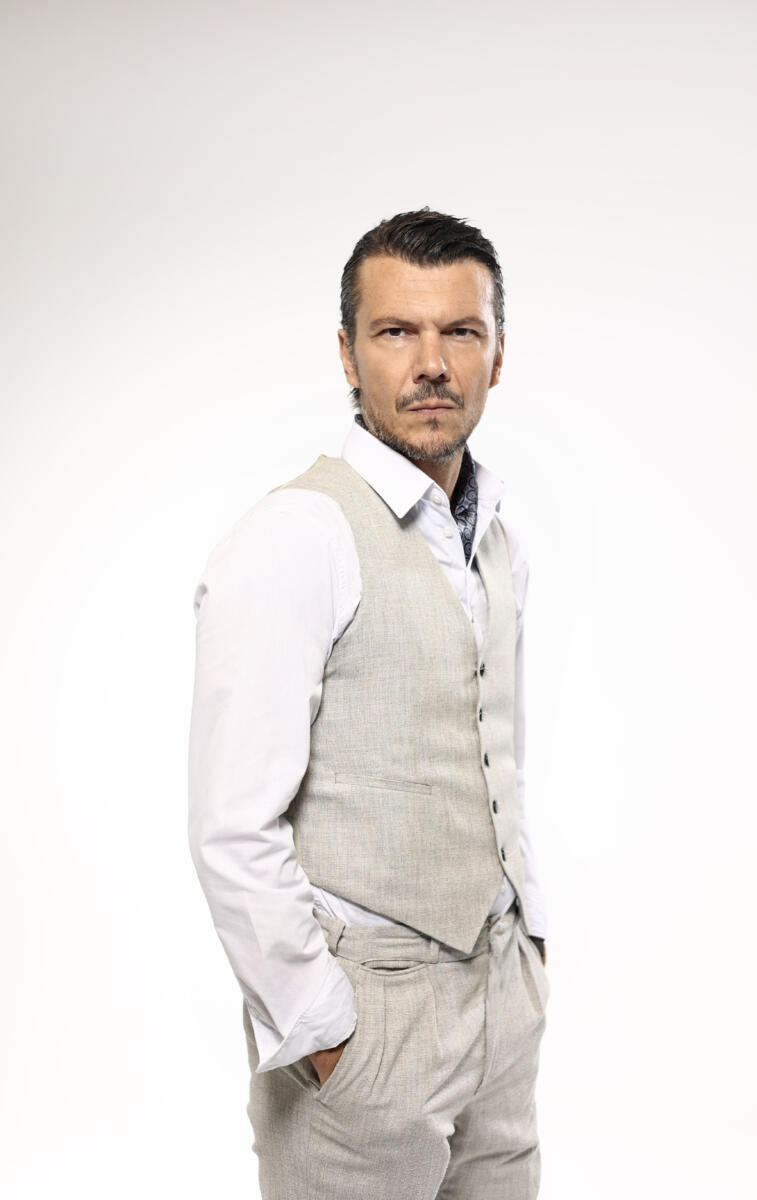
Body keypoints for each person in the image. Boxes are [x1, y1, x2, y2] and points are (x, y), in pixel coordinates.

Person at [188, 207, 550, 1199]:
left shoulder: (497, 541)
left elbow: (495, 756)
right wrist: (322, 1030)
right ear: (348, 354)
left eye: (459, 331)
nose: (430, 363)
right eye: (396, 332)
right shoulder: (298, 535)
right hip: (366, 1025)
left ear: (497, 355)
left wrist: (528, 946)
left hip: (501, 1006)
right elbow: (231, 824)